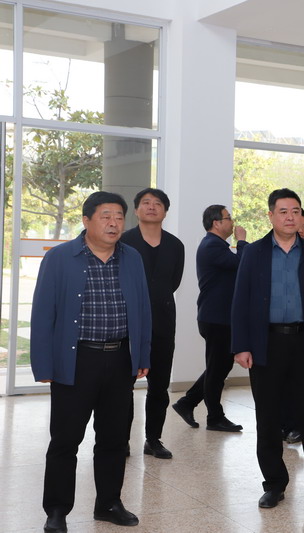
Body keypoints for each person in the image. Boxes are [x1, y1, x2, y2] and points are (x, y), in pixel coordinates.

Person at [31, 191, 152, 533]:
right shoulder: (59, 258)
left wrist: (142, 355)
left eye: (119, 217)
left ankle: (109, 503)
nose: (114, 223)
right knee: (65, 440)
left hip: (119, 359)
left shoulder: (132, 258)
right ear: (86, 221)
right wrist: (44, 364)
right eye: (105, 216)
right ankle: (57, 510)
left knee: (114, 438)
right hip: (76, 359)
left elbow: (143, 309)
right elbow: (43, 313)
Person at [231, 188, 304, 510]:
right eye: (283, 211)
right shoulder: (254, 253)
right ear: (271, 216)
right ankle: (274, 485)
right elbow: (240, 302)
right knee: (268, 418)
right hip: (265, 343)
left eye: (295, 211)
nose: (290, 217)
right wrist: (241, 346)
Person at [120, 188, 184, 459]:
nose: (151, 207)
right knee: (123, 386)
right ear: (136, 210)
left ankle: (153, 439)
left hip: (163, 321)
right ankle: (121, 439)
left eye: (158, 203)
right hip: (127, 322)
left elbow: (174, 282)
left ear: (165, 211)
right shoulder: (124, 242)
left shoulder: (175, 245)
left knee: (159, 386)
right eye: (145, 203)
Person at [172, 205, 248, 432]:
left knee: (219, 366)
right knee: (217, 369)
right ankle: (214, 417)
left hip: (219, 316)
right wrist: (242, 241)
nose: (232, 222)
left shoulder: (216, 245)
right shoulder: (212, 246)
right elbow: (241, 264)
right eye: (228, 218)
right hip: (216, 317)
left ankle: (187, 403)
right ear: (216, 223)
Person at [280, 208, 304, 445]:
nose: (301, 229)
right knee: (282, 385)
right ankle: (286, 425)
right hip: (277, 333)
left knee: (301, 387)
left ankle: (296, 426)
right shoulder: (272, 255)